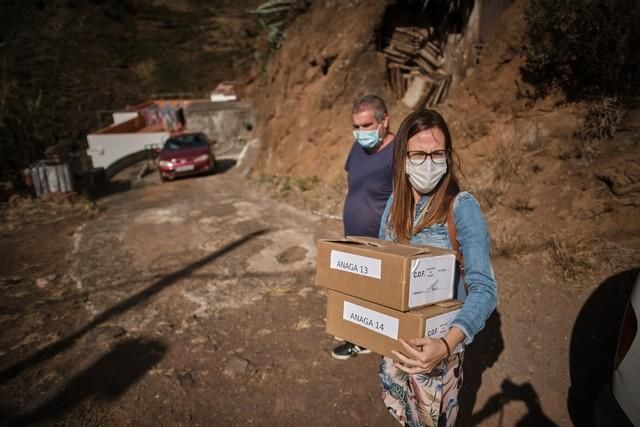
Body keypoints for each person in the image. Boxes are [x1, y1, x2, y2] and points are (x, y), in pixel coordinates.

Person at [377, 109, 497, 426]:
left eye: (437, 154)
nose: (428, 163)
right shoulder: (394, 205)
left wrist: (444, 346)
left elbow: (485, 290)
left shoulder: (462, 207)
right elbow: (382, 270)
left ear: (447, 156)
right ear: (402, 157)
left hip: (436, 355)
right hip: (395, 348)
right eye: (418, 154)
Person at [332, 94, 395, 360]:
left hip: (384, 242)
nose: (360, 133)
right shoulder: (356, 149)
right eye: (356, 127)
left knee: (383, 297)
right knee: (357, 293)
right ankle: (359, 340)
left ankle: (384, 345)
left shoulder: (400, 152)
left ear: (384, 122)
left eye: (367, 125)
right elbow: (354, 186)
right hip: (354, 238)